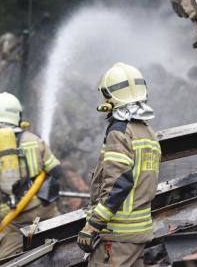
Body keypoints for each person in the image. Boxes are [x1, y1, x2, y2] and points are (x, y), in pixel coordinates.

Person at [77, 63, 161, 267]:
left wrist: (93, 225)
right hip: (137, 233)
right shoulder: (147, 131)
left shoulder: (119, 131)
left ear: (111, 97)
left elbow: (118, 184)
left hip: (117, 235)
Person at [0, 91, 62, 262]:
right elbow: (57, 171)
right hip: (45, 214)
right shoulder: (33, 140)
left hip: (14, 221)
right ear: (17, 115)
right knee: (64, 245)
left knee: (3, 261)